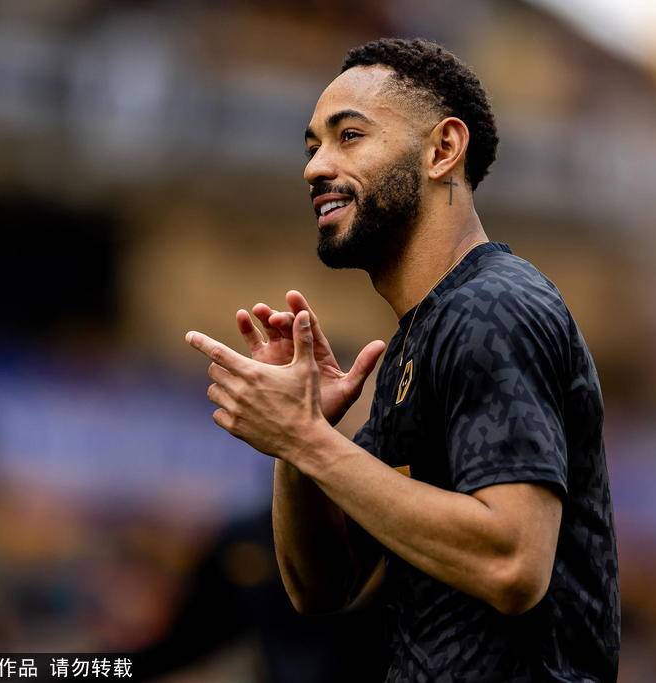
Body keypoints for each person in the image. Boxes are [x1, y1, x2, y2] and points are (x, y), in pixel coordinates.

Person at [185, 37, 619, 682]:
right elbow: (322, 588)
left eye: (349, 136)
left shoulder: (493, 307)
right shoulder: (420, 337)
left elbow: (513, 565)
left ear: (443, 150)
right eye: (311, 147)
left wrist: (306, 440)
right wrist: (299, 440)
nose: (315, 168)